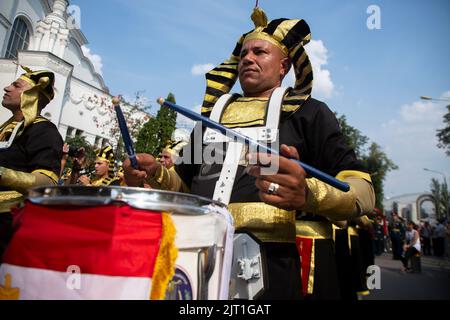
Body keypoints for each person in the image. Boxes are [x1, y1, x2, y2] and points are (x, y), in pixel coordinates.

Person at [123, 6, 375, 299]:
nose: (247, 59)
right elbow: (184, 184)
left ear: (284, 66)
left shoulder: (310, 113)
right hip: (200, 260)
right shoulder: (210, 118)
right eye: (243, 54)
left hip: (280, 267)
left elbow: (364, 192)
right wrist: (155, 173)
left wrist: (309, 193)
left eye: (259, 52)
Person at [0, 66, 63, 261]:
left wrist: (3, 174)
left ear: (32, 96)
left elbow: (47, 183)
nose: (6, 88)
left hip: (9, 223)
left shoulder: (45, 132)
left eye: (16, 85)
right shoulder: (5, 128)